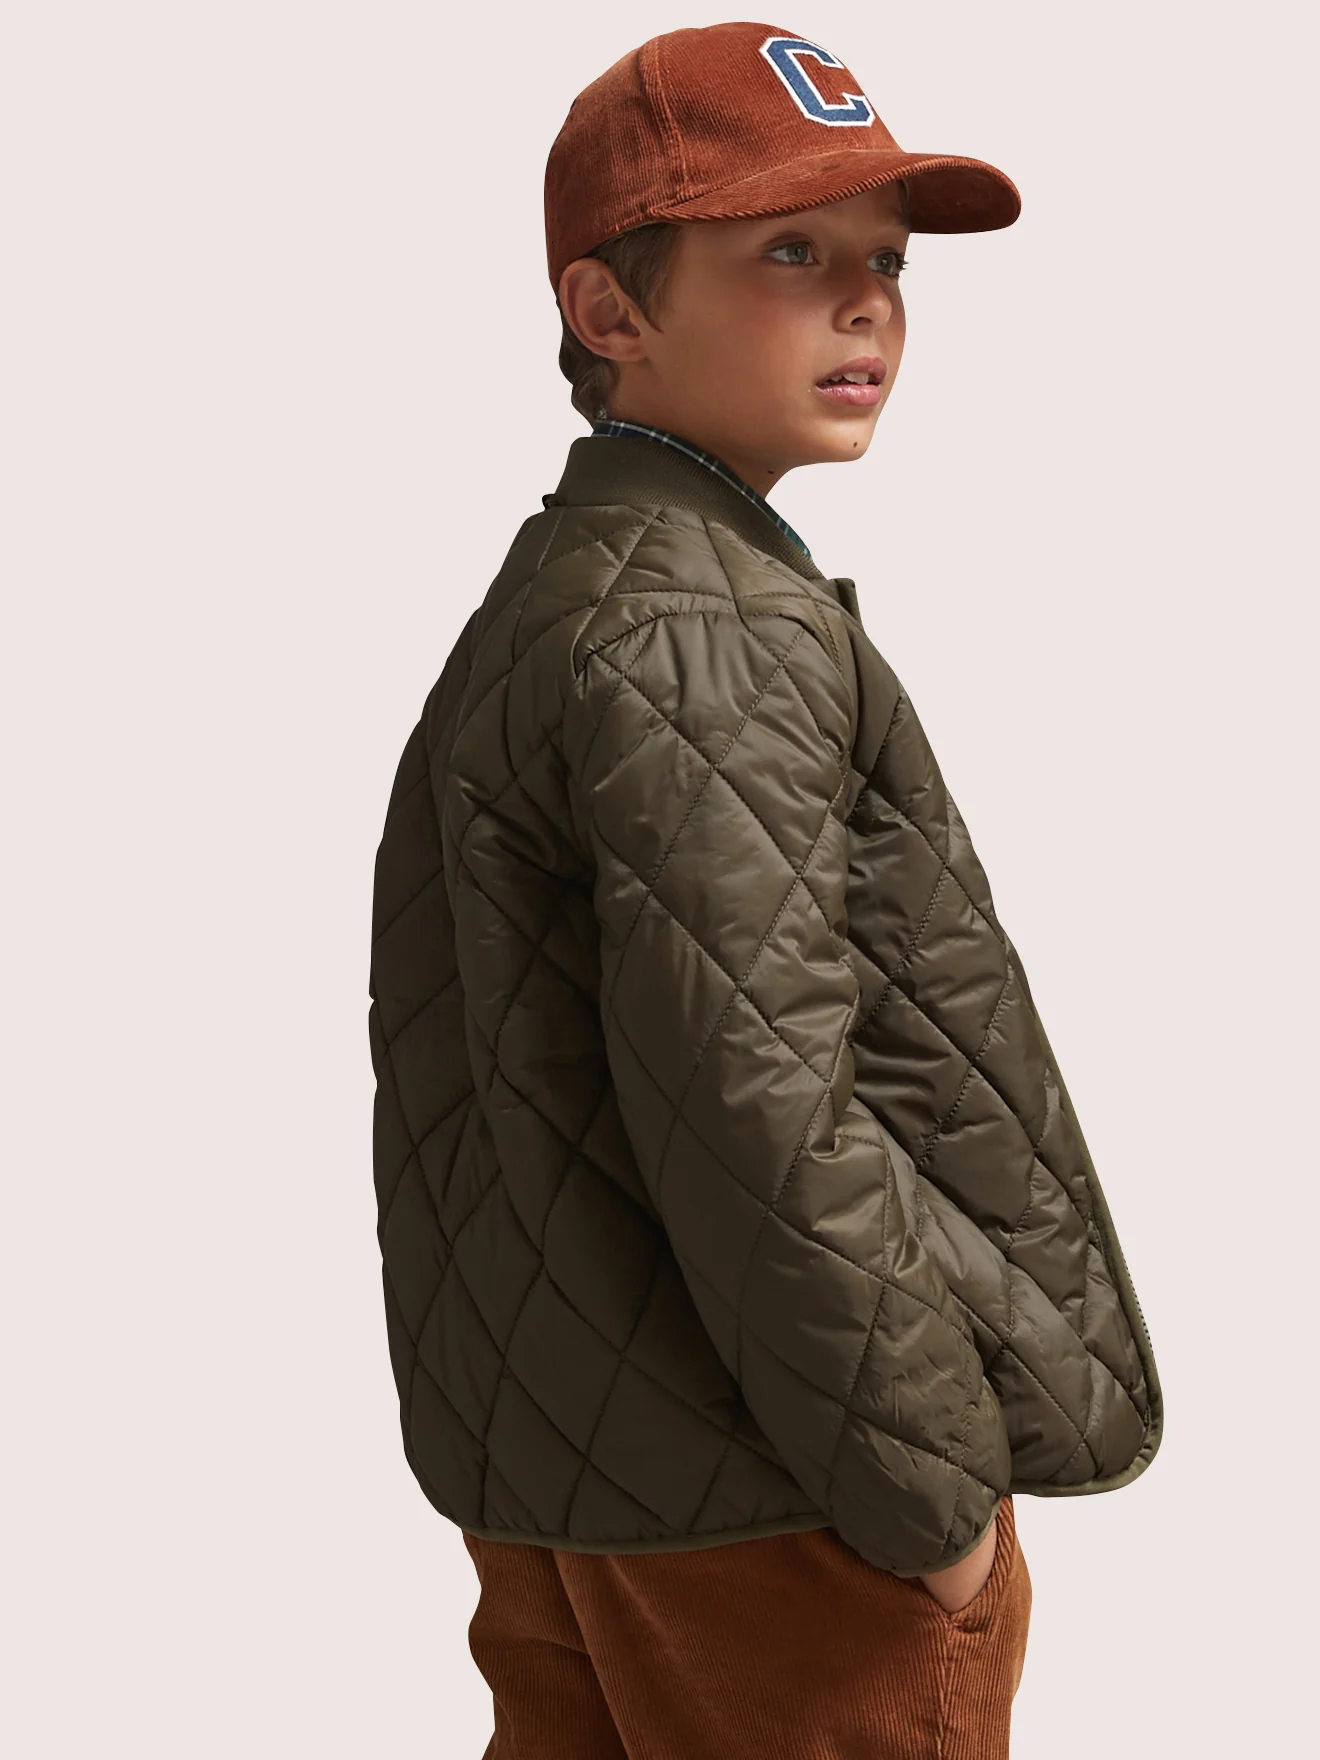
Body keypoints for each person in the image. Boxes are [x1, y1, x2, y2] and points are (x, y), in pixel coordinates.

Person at [366, 21, 1163, 1758]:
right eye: (791, 252)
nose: (867, 302)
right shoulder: (702, 626)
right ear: (609, 311)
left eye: (887, 259)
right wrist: (931, 1508)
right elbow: (758, 1102)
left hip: (580, 1476)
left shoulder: (566, 591)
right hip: (779, 1501)